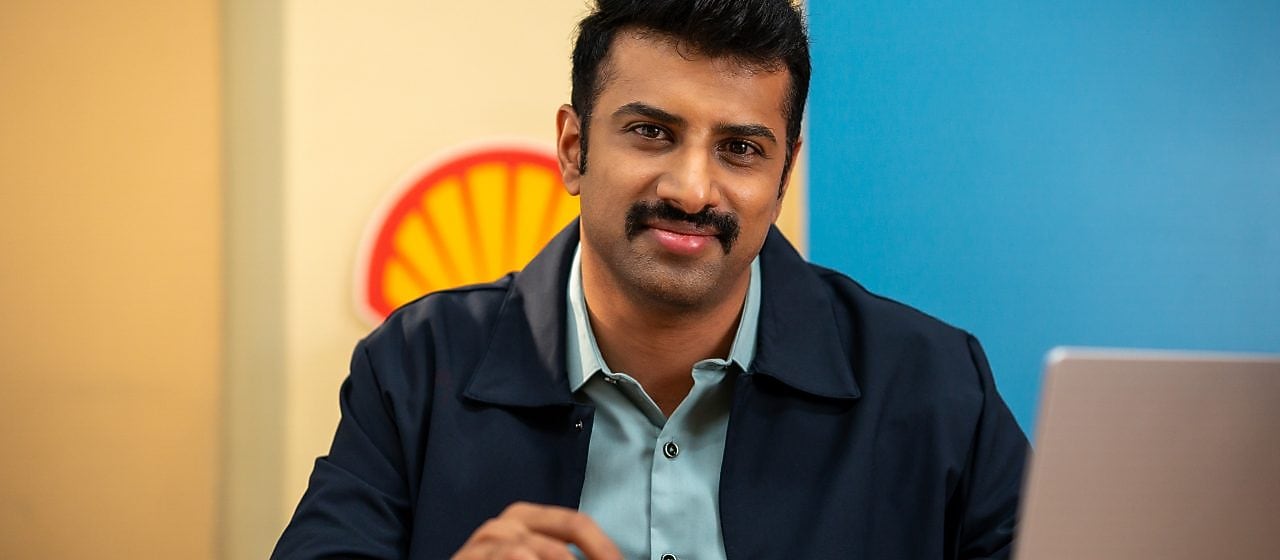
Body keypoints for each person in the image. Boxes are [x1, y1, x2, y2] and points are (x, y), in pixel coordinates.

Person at [273, 0, 1029, 558]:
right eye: (651, 133)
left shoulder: (935, 383)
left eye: (739, 148)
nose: (693, 189)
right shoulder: (415, 365)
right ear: (573, 149)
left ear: (784, 174)